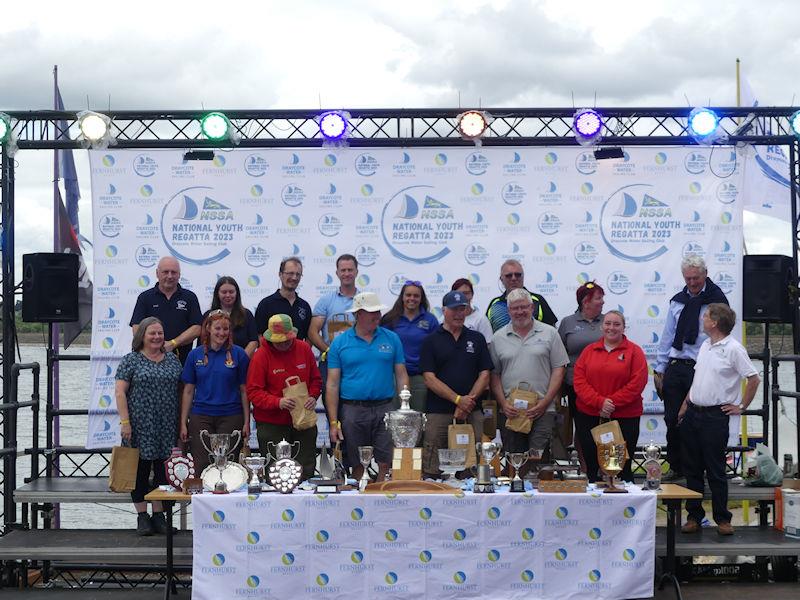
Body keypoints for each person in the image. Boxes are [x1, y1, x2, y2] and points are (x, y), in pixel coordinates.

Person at [679, 303, 759, 536]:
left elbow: (753, 379)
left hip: (714, 417)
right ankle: (694, 516)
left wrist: (741, 406)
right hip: (693, 412)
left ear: (714, 322)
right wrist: (685, 403)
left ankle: (722, 519)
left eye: (705, 316)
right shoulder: (705, 345)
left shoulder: (734, 348)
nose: (702, 319)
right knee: (692, 469)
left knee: (715, 470)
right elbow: (699, 379)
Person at [654, 255, 729, 480]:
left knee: (699, 420)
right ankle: (676, 466)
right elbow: (667, 335)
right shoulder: (677, 301)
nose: (693, 283)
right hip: (677, 365)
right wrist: (660, 368)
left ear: (705, 274)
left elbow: (721, 336)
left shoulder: (716, 301)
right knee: (672, 419)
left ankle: (701, 470)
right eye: (688, 278)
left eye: (696, 278)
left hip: (703, 366)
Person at [325, 292, 408, 482]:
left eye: (377, 311)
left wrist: (404, 407)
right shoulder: (340, 343)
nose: (377, 316)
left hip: (386, 407)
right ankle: (359, 501)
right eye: (371, 312)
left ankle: (383, 498)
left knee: (386, 461)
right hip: (353, 409)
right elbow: (332, 384)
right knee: (357, 463)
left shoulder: (392, 339)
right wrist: (332, 422)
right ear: (358, 314)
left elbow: (401, 374)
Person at [114, 317, 182, 536]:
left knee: (164, 472)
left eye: (160, 333)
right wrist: (125, 422)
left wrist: (182, 422)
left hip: (166, 424)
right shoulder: (131, 360)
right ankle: (142, 517)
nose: (156, 337)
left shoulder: (173, 360)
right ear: (141, 336)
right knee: (139, 472)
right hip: (138, 424)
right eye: (152, 333)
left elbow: (182, 392)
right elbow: (120, 392)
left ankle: (159, 516)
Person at [489, 288, 568, 462]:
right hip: (512, 412)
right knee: (515, 462)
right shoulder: (498, 338)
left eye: (524, 307)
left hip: (543, 410)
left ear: (532, 308)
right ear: (509, 311)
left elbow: (559, 369)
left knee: (539, 462)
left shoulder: (550, 333)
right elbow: (494, 375)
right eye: (515, 308)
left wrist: (545, 402)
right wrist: (503, 403)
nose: (520, 312)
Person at [420, 290, 492, 478]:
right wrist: (458, 400)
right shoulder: (431, 340)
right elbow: (429, 378)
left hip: (472, 411)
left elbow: (485, 374)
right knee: (433, 467)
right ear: (444, 310)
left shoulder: (477, 338)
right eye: (454, 309)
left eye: (463, 309)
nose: (459, 313)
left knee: (472, 467)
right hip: (438, 412)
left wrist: (467, 403)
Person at [573, 310, 648, 482]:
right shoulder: (589, 351)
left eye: (616, 324)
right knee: (592, 467)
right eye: (607, 323)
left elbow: (637, 383)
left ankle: (626, 508)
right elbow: (579, 380)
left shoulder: (634, 352)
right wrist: (599, 403)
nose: (611, 328)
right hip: (590, 416)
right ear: (602, 326)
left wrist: (611, 403)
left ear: (623, 328)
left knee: (621, 468)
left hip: (624, 418)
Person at [246, 314, 322, 480]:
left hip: (304, 422)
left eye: (288, 339)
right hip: (272, 425)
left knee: (305, 470)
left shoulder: (304, 349)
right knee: (276, 473)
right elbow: (253, 391)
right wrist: (277, 402)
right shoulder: (261, 356)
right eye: (280, 341)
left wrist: (313, 396)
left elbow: (316, 379)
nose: (285, 344)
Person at [179, 310, 250, 475]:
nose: (222, 333)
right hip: (201, 416)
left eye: (226, 329)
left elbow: (244, 390)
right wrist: (183, 422)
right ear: (208, 328)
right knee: (202, 464)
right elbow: (188, 391)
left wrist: (247, 421)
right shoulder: (194, 355)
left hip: (231, 416)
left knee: (229, 465)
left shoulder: (239, 354)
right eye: (218, 328)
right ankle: (204, 501)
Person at [557, 281, 605, 465]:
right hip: (576, 385)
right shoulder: (568, 322)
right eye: (598, 298)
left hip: (604, 385)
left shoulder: (607, 320)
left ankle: (606, 466)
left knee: (603, 426)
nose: (602, 302)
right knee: (583, 425)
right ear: (586, 301)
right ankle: (586, 466)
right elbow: (559, 354)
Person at [130, 256, 202, 365]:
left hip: (182, 361)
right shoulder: (145, 297)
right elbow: (136, 328)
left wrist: (173, 343)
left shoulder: (190, 297)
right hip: (149, 362)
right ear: (157, 273)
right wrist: (155, 346)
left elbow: (197, 328)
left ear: (179, 275)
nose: (170, 276)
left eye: (174, 272)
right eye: (165, 272)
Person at [380, 280, 439, 411]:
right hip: (394, 377)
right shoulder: (390, 319)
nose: (412, 299)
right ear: (402, 297)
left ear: (421, 298)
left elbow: (437, 348)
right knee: (395, 418)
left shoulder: (430, 320)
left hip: (420, 377)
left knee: (417, 419)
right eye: (408, 295)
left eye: (416, 296)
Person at [308, 254, 359, 360]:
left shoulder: (365, 301)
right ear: (337, 273)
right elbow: (312, 332)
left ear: (356, 272)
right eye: (343, 270)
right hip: (330, 362)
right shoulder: (325, 301)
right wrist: (329, 352)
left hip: (358, 361)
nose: (347, 273)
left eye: (350, 270)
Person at [486, 259, 558, 332]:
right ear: (501, 279)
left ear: (523, 277)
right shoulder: (494, 304)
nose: (513, 278)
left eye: (518, 275)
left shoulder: (538, 300)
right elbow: (487, 335)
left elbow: (551, 333)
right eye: (509, 275)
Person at [254, 256, 312, 342]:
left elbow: (309, 337)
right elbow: (259, 335)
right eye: (290, 273)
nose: (294, 278)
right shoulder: (266, 304)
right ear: (280, 274)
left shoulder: (305, 306)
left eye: (298, 274)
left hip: (297, 355)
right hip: (272, 355)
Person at [206, 276, 258, 357]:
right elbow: (202, 342)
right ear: (217, 293)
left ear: (237, 293)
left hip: (241, 365)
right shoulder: (208, 315)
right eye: (224, 292)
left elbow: (254, 341)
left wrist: (240, 360)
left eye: (231, 292)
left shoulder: (247, 315)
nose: (228, 295)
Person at [451, 278, 493, 344]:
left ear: (472, 295)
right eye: (459, 294)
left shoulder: (481, 319)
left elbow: (488, 345)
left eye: (466, 293)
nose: (463, 297)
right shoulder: (447, 319)